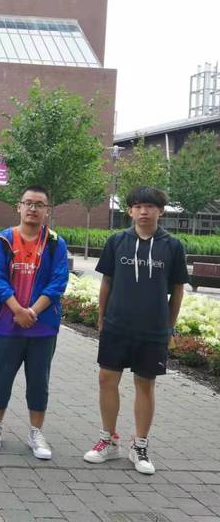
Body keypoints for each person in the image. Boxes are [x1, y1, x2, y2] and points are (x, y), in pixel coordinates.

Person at [83, 186, 188, 475]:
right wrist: (102, 318)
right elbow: (107, 282)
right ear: (129, 211)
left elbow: (178, 290)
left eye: (150, 206)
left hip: (152, 329)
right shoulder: (117, 242)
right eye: (138, 206)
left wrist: (169, 326)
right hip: (117, 325)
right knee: (107, 379)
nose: (144, 211)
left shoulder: (173, 246)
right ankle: (108, 440)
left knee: (145, 384)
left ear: (160, 211)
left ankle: (139, 445)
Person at [0, 185, 70, 460]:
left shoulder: (55, 243)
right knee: (2, 376)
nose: (33, 208)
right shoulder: (3, 240)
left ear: (47, 211)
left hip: (43, 325)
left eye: (39, 204)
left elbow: (58, 282)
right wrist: (18, 310)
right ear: (18, 206)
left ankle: (36, 432)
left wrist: (33, 311)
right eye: (28, 203)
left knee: (39, 380)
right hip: (8, 323)